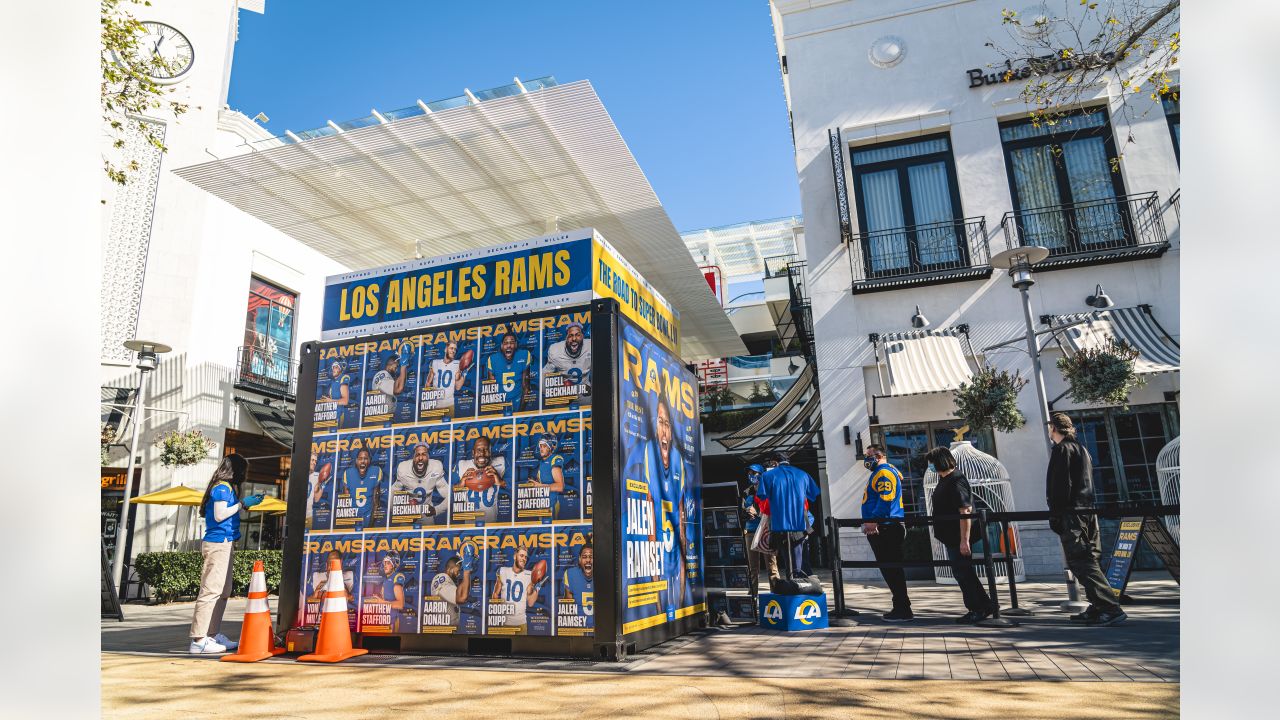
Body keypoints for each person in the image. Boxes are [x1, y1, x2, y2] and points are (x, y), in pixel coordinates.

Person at [1046, 413, 1127, 626]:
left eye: (1049, 427)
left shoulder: (1062, 450)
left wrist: (1055, 514)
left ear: (1053, 428)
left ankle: (1109, 607)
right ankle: (1098, 605)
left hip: (1072, 513)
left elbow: (1060, 486)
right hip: (1088, 510)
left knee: (1080, 560)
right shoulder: (1082, 449)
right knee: (1090, 559)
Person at [189, 454, 261, 654]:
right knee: (211, 590)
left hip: (225, 543)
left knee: (223, 591)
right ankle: (198, 639)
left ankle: (211, 635)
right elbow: (220, 515)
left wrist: (244, 504)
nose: (245, 475)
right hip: (218, 543)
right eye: (243, 470)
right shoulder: (221, 488)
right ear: (236, 470)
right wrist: (241, 504)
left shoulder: (226, 488)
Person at [926, 446, 996, 623]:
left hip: (958, 537)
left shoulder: (956, 479)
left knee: (963, 573)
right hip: (950, 536)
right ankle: (985, 604)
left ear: (940, 461)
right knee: (963, 572)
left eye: (932, 463)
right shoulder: (945, 480)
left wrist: (964, 540)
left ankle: (977, 608)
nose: (930, 467)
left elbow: (965, 510)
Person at [861, 444, 913, 621]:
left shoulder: (883, 472)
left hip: (886, 527)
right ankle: (900, 606)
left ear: (878, 455)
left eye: (868, 456)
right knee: (890, 569)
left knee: (892, 569)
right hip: (885, 526)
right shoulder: (883, 471)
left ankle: (902, 609)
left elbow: (886, 499)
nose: (866, 460)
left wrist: (874, 520)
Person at [756, 451, 820, 578]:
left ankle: (792, 587)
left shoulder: (767, 476)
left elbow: (762, 498)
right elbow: (814, 494)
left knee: (788, 562)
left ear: (774, 463)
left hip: (779, 525)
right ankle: (798, 586)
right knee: (799, 561)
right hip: (799, 525)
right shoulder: (803, 474)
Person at [490, 546, 547, 634]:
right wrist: (498, 614)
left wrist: (537, 587)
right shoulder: (502, 571)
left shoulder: (529, 575)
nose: (524, 559)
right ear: (514, 556)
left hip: (521, 624)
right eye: (521, 555)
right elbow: (495, 594)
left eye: (525, 557)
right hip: (505, 623)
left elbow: (531, 603)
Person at [740, 463, 779, 592]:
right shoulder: (746, 492)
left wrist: (757, 511)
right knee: (753, 568)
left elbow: (773, 510)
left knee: (771, 566)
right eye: (749, 473)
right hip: (750, 531)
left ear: (761, 475)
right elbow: (740, 512)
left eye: (754, 473)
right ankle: (753, 595)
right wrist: (745, 513)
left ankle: (776, 592)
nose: (751, 476)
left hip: (766, 531)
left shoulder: (769, 490)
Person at [454, 435, 507, 523]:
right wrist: (461, 484)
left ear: (490, 452)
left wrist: (500, 481)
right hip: (469, 524)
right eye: (478, 450)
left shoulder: (501, 463)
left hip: (492, 522)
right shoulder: (462, 465)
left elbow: (514, 486)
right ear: (473, 452)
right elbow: (449, 491)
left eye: (485, 450)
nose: (482, 453)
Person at [393, 442, 448, 524]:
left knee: (429, 536)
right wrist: (400, 511)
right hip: (408, 514)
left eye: (424, 454)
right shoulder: (403, 468)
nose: (420, 458)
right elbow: (392, 492)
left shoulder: (436, 467)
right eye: (417, 454)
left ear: (428, 457)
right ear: (413, 458)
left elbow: (449, 495)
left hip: (426, 515)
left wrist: (437, 510)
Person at [427, 543, 477, 628]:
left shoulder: (449, 581)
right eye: (457, 571)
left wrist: (468, 572)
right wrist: (466, 571)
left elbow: (460, 592)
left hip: (448, 627)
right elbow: (461, 597)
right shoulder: (442, 577)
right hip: (444, 629)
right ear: (450, 569)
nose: (458, 574)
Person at [485, 332, 535, 411]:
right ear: (501, 346)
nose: (509, 345)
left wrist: (520, 413)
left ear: (516, 345)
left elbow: (526, 387)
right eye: (506, 343)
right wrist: (497, 413)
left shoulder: (524, 355)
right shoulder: (492, 359)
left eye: (512, 342)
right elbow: (492, 391)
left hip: (518, 400)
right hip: (500, 404)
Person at [542, 322, 591, 397]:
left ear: (582, 336)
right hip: (564, 394)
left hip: (585, 393)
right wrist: (554, 391)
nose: (574, 339)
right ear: (566, 338)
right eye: (570, 335)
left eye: (577, 335)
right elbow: (544, 375)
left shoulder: (591, 346)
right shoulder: (555, 351)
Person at [365, 550, 410, 633]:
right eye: (384, 563)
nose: (385, 566)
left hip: (392, 622)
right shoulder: (386, 579)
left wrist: (381, 602)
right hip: (385, 621)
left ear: (393, 565)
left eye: (388, 563)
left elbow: (400, 604)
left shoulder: (396, 577)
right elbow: (386, 600)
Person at [341, 447, 384, 529]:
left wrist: (371, 525)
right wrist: (350, 525)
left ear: (369, 461)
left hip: (368, 516)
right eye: (360, 459)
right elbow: (346, 504)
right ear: (356, 461)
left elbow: (376, 502)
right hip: (353, 518)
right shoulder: (348, 473)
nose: (363, 461)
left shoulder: (375, 471)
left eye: (365, 458)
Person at [426, 341, 468, 411]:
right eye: (451, 348)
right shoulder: (435, 362)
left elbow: (458, 387)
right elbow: (428, 383)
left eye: (455, 349)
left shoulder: (458, 364)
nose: (453, 351)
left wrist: (464, 373)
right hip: (435, 405)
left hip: (449, 405)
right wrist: (429, 400)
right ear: (445, 349)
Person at [533, 434, 567, 517]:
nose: (541, 449)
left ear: (551, 447)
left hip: (551, 505)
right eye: (540, 446)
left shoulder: (554, 459)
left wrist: (540, 486)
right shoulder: (542, 463)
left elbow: (560, 486)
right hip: (542, 505)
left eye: (544, 446)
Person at [561, 544, 594, 626]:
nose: (588, 560)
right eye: (584, 557)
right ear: (579, 559)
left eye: (591, 556)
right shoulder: (570, 574)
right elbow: (568, 608)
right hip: (578, 627)